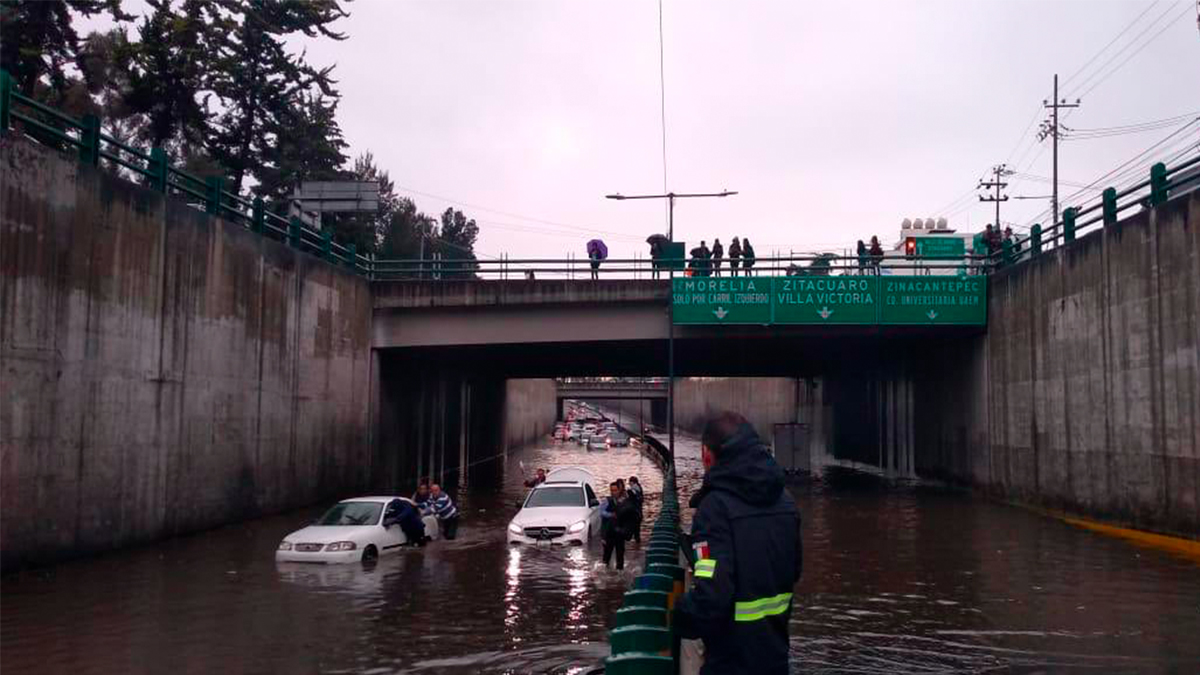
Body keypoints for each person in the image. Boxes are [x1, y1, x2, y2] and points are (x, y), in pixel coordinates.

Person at [674, 412, 802, 675]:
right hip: (776, 658)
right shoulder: (786, 502)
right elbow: (794, 570)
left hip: (730, 661)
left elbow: (711, 598)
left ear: (707, 455)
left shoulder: (715, 509)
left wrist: (676, 617)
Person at [600, 481, 638, 569]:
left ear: (619, 490)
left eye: (615, 490)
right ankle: (605, 573)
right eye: (612, 491)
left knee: (620, 556)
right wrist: (611, 515)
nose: (614, 492)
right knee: (606, 557)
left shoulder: (624, 502)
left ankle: (619, 576)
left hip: (620, 533)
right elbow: (601, 513)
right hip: (609, 533)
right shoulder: (607, 501)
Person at [627, 476, 644, 544]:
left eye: (630, 482)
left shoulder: (633, 490)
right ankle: (637, 541)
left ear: (632, 482)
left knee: (635, 528)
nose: (629, 483)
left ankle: (636, 540)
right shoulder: (639, 488)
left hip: (635, 512)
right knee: (637, 528)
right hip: (638, 512)